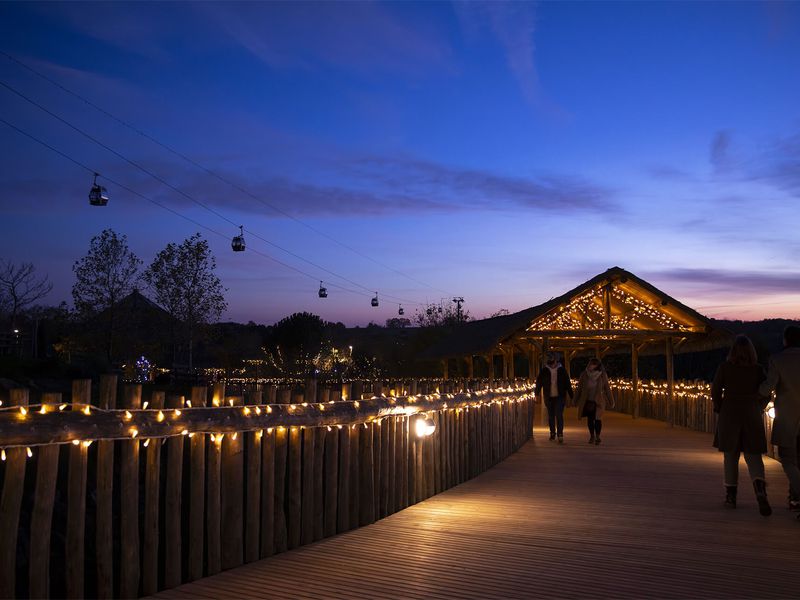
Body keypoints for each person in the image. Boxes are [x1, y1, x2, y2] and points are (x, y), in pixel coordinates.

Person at [711, 335, 771, 516]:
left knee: (730, 456)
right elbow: (766, 392)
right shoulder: (758, 370)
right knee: (754, 456)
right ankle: (760, 490)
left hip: (730, 413)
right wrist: (758, 407)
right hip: (751, 413)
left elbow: (715, 390)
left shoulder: (724, 368)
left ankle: (731, 496)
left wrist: (720, 407)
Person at [759, 325, 800, 516]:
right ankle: (795, 500)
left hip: (788, 416)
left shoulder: (778, 359)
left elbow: (768, 387)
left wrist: (756, 390)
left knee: (787, 458)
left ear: (785, 340)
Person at [535, 352, 573, 443]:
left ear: (556, 360)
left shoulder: (562, 370)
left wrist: (571, 395)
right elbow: (539, 382)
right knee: (551, 416)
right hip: (549, 396)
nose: (551, 362)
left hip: (560, 396)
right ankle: (552, 433)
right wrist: (536, 393)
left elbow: (567, 383)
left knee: (559, 415)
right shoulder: (544, 371)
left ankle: (560, 434)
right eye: (550, 360)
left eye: (552, 359)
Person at [575, 358, 614, 445]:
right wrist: (575, 400)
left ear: (597, 366)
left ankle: (597, 436)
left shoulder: (602, 375)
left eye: (593, 364)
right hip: (588, 400)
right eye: (590, 364)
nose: (590, 366)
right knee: (590, 419)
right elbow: (579, 388)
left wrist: (611, 401)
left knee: (598, 419)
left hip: (599, 401)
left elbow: (607, 388)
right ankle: (592, 435)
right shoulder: (584, 375)